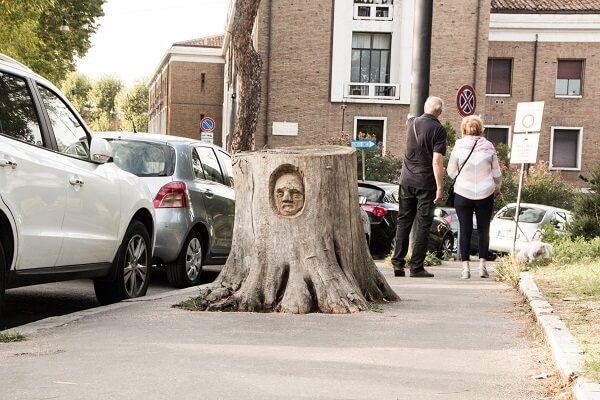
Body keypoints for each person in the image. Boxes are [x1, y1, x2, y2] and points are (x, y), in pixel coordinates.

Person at [391, 96, 447, 278]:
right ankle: (416, 267)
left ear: (425, 107)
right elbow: (437, 160)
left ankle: (398, 264)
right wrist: (440, 187)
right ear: (439, 112)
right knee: (423, 225)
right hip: (426, 184)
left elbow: (410, 117)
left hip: (406, 181)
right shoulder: (438, 129)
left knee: (403, 222)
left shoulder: (411, 123)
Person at [447, 115, 501, 279]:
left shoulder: (459, 146)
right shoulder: (489, 147)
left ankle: (465, 269)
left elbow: (450, 171)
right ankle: (483, 266)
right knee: (484, 229)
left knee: (465, 229)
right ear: (480, 129)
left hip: (463, 193)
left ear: (464, 129)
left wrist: (462, 179)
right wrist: (496, 186)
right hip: (485, 193)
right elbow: (497, 173)